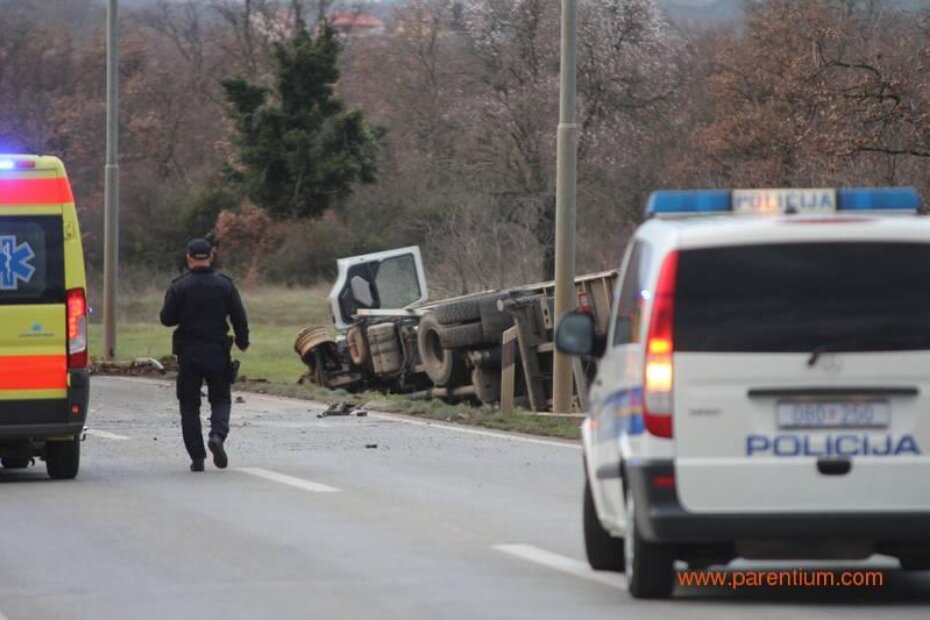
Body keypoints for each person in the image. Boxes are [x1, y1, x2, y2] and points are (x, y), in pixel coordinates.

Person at [160, 238, 249, 472]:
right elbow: (239, 316)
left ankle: (197, 458)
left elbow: (166, 319)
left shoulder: (179, 286)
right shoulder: (225, 285)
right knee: (220, 398)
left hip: (189, 353)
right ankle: (217, 436)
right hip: (217, 351)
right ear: (211, 256)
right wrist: (242, 341)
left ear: (188, 257)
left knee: (189, 406)